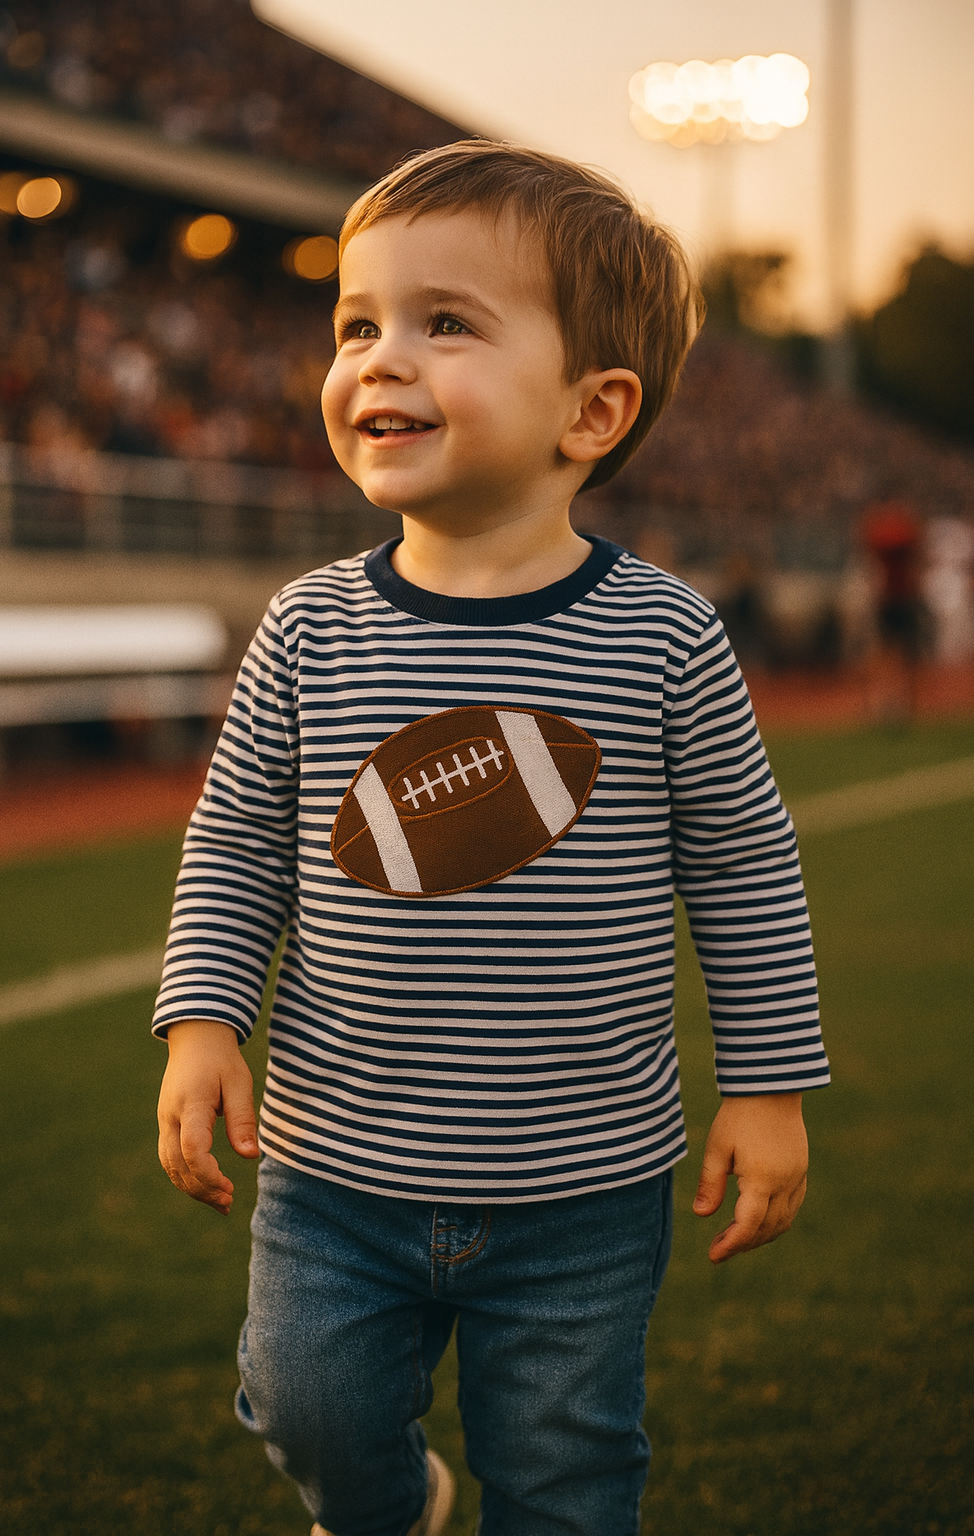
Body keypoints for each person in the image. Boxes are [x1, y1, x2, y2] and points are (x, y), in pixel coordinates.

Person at [154, 141, 829, 1536]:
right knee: (308, 1409)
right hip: (337, 1165)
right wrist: (204, 1018)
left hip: (584, 1183)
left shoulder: (662, 637)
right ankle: (399, 1505)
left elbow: (747, 869)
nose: (379, 359)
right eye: (358, 324)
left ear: (594, 410)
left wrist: (766, 1086)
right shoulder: (307, 629)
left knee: (569, 1478)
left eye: (443, 322)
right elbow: (235, 846)